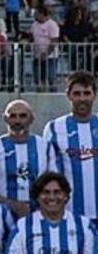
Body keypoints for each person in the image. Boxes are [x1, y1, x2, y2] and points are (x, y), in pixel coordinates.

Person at [3, 172, 98, 254]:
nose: (51, 197)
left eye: (57, 192)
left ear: (66, 196)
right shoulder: (23, 226)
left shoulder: (83, 225)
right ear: (37, 197)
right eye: (45, 192)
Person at [44, 71, 98, 225]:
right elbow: (50, 172)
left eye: (87, 93)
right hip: (70, 213)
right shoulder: (54, 127)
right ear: (68, 95)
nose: (82, 98)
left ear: (94, 94)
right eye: (77, 93)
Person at [0, 100, 48, 217]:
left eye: (23, 116)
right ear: (5, 119)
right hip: (2, 216)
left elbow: (52, 182)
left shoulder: (45, 146)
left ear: (31, 119)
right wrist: (12, 205)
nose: (17, 121)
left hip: (38, 215)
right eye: (13, 116)